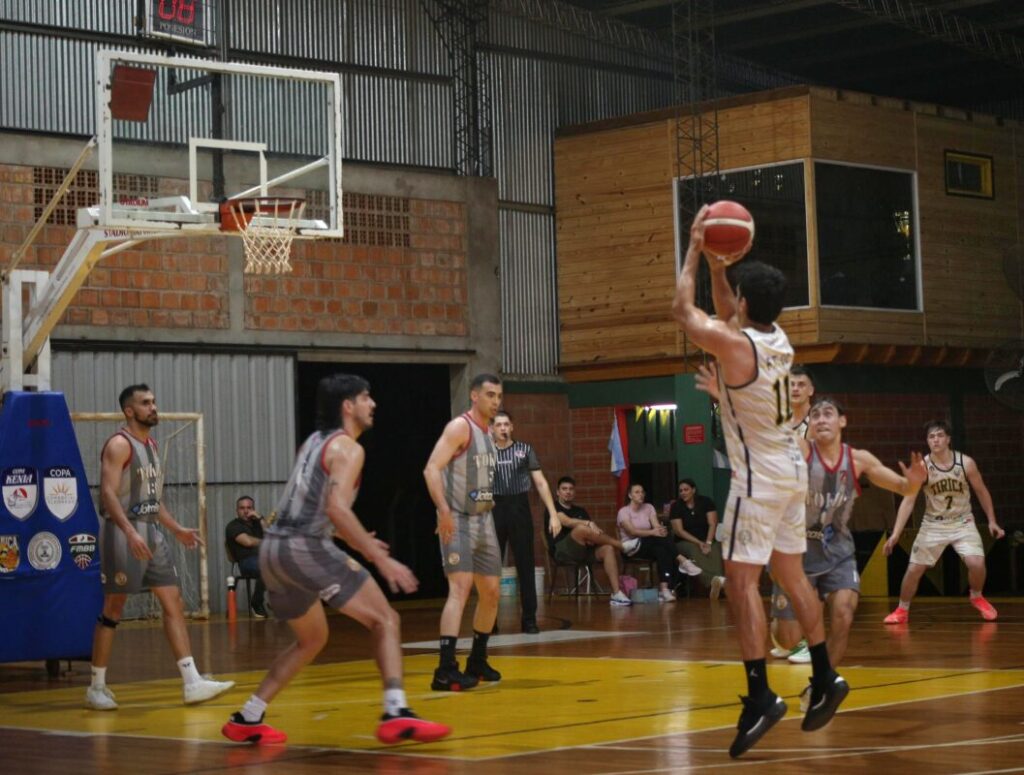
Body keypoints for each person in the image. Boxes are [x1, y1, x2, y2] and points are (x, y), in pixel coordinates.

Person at [672, 206, 848, 759]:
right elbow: (727, 313)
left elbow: (684, 312)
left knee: (740, 581)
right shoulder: (777, 340)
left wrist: (698, 248)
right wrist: (725, 271)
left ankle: (760, 695)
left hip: (757, 479)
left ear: (746, 304)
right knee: (790, 573)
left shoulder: (735, 346)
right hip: (791, 474)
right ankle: (824, 676)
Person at [221, 374, 450, 746]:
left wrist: (348, 535)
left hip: (272, 553)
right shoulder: (348, 449)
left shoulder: (313, 443)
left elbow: (314, 506)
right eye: (366, 397)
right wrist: (377, 555)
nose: (373, 404)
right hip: (303, 548)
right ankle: (396, 711)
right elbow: (336, 508)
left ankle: (248, 716)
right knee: (385, 619)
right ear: (348, 406)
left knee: (311, 640)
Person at [767, 397, 926, 709]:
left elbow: (902, 487)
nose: (822, 419)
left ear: (842, 421)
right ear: (809, 425)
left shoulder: (858, 460)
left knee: (843, 612)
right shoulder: (799, 451)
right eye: (816, 415)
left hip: (837, 549)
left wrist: (914, 484)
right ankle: (782, 619)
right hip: (797, 552)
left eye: (829, 414)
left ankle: (821, 683)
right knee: (787, 637)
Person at [86, 384, 234, 711]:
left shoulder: (151, 444)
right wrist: (129, 531)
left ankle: (192, 681)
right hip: (121, 532)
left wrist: (176, 528)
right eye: (145, 403)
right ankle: (96, 686)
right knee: (113, 608)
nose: (153, 407)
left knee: (173, 601)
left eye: (154, 401)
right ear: (129, 411)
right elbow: (108, 495)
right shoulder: (118, 445)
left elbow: (152, 499)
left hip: (151, 531)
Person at [423, 373, 516, 691]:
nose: (496, 401)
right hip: (458, 519)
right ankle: (445, 668)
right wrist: (444, 511)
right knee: (460, 589)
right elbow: (431, 468)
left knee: (491, 592)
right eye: (490, 395)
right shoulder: (459, 427)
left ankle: (477, 660)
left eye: (499, 396)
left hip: (483, 520)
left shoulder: (489, 432)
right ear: (474, 396)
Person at [883, 420, 1005, 624]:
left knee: (977, 563)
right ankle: (902, 610)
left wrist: (992, 521)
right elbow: (909, 501)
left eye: (939, 435)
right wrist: (895, 534)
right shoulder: (923, 467)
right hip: (933, 524)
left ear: (948, 439)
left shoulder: (965, 463)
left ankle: (976, 595)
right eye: (931, 437)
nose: (935, 440)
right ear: (927, 442)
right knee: (914, 570)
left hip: (962, 521)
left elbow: (982, 491)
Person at [491, 410, 561, 633]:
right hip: (493, 508)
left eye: (506, 424)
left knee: (525, 564)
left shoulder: (524, 450)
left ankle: (529, 618)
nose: (502, 428)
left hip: (519, 507)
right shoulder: (484, 452)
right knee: (491, 569)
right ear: (492, 428)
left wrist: (553, 513)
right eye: (498, 424)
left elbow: (540, 483)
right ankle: (488, 620)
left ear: (512, 427)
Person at [551, 476, 639, 606]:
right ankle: (622, 546)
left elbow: (593, 533)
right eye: (564, 489)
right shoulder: (553, 507)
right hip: (563, 551)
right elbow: (566, 521)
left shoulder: (581, 510)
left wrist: (592, 537)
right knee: (581, 528)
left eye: (571, 489)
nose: (568, 491)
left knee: (607, 549)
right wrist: (588, 523)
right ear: (558, 492)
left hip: (583, 550)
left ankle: (616, 594)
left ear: (574, 492)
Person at [616, 484, 684, 603]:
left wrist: (660, 530)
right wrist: (653, 532)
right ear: (630, 495)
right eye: (637, 492)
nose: (641, 494)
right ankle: (682, 560)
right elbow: (632, 532)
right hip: (631, 547)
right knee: (660, 541)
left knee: (663, 549)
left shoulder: (649, 507)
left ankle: (664, 589)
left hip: (648, 545)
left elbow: (656, 525)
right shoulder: (623, 511)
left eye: (642, 492)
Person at [668, 478, 726, 600]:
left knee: (715, 549)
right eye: (681, 491)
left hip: (707, 539)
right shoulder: (676, 506)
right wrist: (699, 542)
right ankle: (712, 582)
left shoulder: (706, 502)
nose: (683, 492)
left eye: (686, 489)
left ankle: (719, 580)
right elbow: (679, 530)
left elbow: (712, 523)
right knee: (695, 550)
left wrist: (708, 543)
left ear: (693, 490)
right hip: (685, 542)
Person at [225, 495, 268, 618]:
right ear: (237, 510)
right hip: (246, 562)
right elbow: (248, 541)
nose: (246, 511)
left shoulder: (258, 523)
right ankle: (256, 602)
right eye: (242, 508)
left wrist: (260, 518)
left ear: (253, 509)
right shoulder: (233, 526)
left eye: (249, 507)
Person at [789, 365, 816, 438]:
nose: (795, 389)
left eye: (801, 384)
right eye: (791, 384)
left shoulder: (818, 420)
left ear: (811, 390)